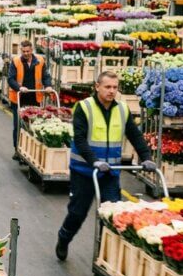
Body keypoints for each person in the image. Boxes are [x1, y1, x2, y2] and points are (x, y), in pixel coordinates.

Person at [55, 72, 156, 261]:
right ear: (97, 87)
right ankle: (64, 237)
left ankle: (104, 257)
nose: (112, 91)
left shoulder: (122, 110)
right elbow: (79, 139)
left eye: (115, 87)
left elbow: (135, 135)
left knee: (112, 216)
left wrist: (146, 157)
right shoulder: (84, 108)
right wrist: (94, 160)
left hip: (110, 173)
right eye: (108, 87)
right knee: (78, 213)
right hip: (84, 171)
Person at [7, 41, 52, 156]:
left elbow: (46, 76)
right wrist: (19, 87)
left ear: (32, 50)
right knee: (18, 125)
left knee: (34, 125)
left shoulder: (40, 61)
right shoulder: (16, 61)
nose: (26, 53)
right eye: (24, 51)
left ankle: (32, 150)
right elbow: (10, 79)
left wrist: (48, 86)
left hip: (34, 97)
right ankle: (17, 149)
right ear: (21, 50)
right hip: (19, 98)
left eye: (28, 51)